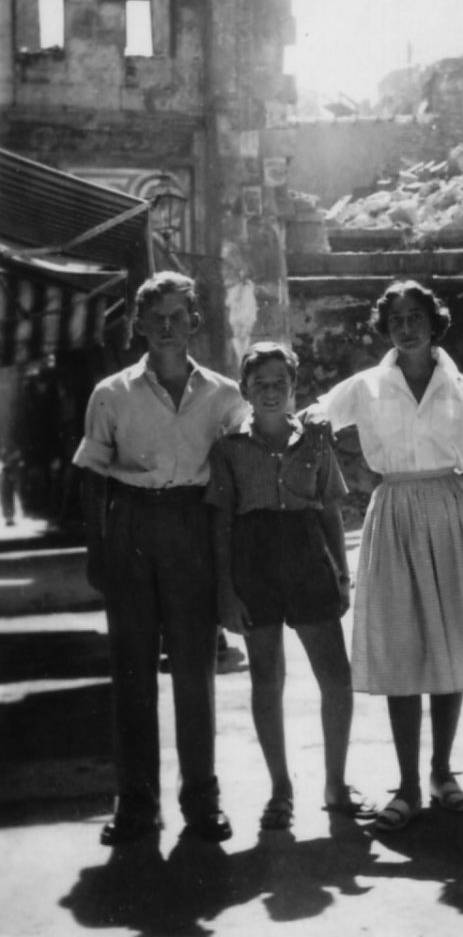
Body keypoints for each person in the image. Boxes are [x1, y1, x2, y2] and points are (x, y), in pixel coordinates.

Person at [314, 279, 463, 831]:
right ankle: (407, 786)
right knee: (403, 648)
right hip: (394, 511)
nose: (406, 325)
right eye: (396, 317)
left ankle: (443, 772)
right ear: (386, 326)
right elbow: (314, 421)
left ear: (434, 320)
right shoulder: (367, 387)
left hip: (451, 513)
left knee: (448, 646)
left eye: (416, 314)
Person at [72, 271, 247, 846]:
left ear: (195, 321)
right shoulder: (111, 393)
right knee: (131, 672)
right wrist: (99, 551)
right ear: (140, 326)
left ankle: (202, 803)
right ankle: (135, 806)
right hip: (130, 529)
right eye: (156, 319)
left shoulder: (224, 395)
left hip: (191, 528)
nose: (167, 327)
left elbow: (234, 477)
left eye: (177, 316)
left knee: (195, 671)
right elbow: (93, 478)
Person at [206, 341, 372, 830]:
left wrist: (342, 575)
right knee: (266, 677)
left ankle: (335, 784)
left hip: (307, 559)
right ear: (244, 391)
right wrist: (225, 592)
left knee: (336, 677)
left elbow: (328, 511)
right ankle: (280, 789)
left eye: (281, 383)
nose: (272, 392)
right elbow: (222, 524)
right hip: (253, 563)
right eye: (261, 384)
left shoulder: (317, 439)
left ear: (295, 388)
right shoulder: (228, 446)